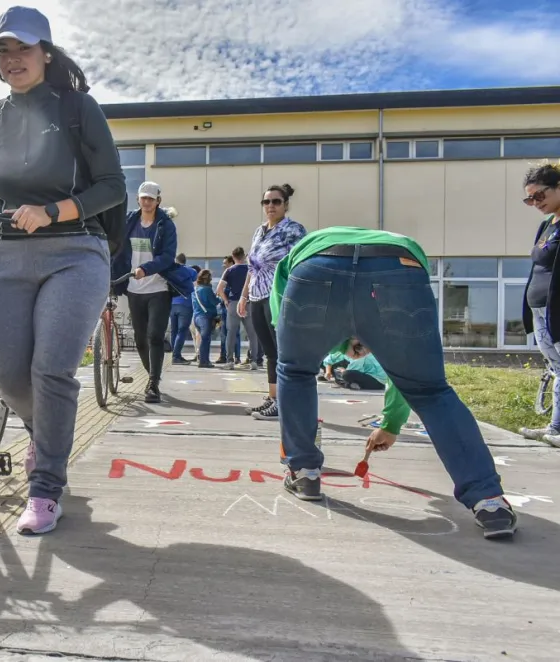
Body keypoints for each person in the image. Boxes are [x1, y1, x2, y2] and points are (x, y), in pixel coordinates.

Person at [0, 6, 126, 535]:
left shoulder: (79, 108)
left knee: (51, 370)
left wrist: (53, 211)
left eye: (24, 48)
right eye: (4, 50)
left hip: (76, 252)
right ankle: (44, 431)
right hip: (7, 255)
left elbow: (113, 186)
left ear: (46, 54)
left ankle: (45, 487)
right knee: (10, 377)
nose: (13, 59)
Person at [271, 226, 517, 539]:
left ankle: (304, 472)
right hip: (400, 267)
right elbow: (407, 372)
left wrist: (337, 343)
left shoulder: (306, 247)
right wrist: (391, 423)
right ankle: (489, 501)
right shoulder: (400, 244)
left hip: (315, 265)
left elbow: (281, 319)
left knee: (295, 372)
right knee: (429, 390)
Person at [113, 182, 194, 401]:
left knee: (155, 336)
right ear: (138, 199)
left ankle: (152, 384)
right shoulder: (129, 221)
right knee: (140, 340)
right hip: (134, 289)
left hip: (158, 288)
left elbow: (167, 257)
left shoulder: (166, 225)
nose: (147, 202)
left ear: (158, 201)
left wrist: (146, 269)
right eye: (143, 198)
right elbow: (117, 247)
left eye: (151, 198)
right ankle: (153, 375)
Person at [239, 184, 307, 421]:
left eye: (276, 201)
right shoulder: (259, 231)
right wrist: (244, 296)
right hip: (257, 296)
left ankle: (284, 402)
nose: (270, 206)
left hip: (278, 295)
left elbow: (300, 263)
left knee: (281, 351)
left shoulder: (293, 230)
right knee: (269, 351)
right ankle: (273, 397)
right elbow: (252, 267)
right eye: (266, 202)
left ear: (285, 205)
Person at [519, 164, 560, 447]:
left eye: (539, 195)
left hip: (556, 309)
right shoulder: (547, 225)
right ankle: (555, 427)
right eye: (529, 199)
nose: (535, 202)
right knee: (556, 369)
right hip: (539, 308)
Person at [217, 247, 260, 372]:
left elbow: (219, 289)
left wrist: (226, 300)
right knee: (252, 334)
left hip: (233, 303)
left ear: (233, 257)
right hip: (249, 302)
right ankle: (254, 361)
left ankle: (230, 361)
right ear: (244, 256)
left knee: (231, 333)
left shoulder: (229, 270)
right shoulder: (251, 269)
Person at [191, 269, 220, 368]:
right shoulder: (207, 289)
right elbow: (214, 302)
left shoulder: (195, 289)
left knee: (203, 339)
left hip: (196, 318)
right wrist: (220, 298)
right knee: (205, 340)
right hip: (206, 317)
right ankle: (204, 361)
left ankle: (204, 360)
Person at [169, 253, 193, 365]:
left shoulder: (171, 271)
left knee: (174, 331)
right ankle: (176, 356)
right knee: (182, 331)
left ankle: (175, 355)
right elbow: (195, 282)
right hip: (185, 304)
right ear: (185, 261)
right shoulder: (191, 271)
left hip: (172, 304)